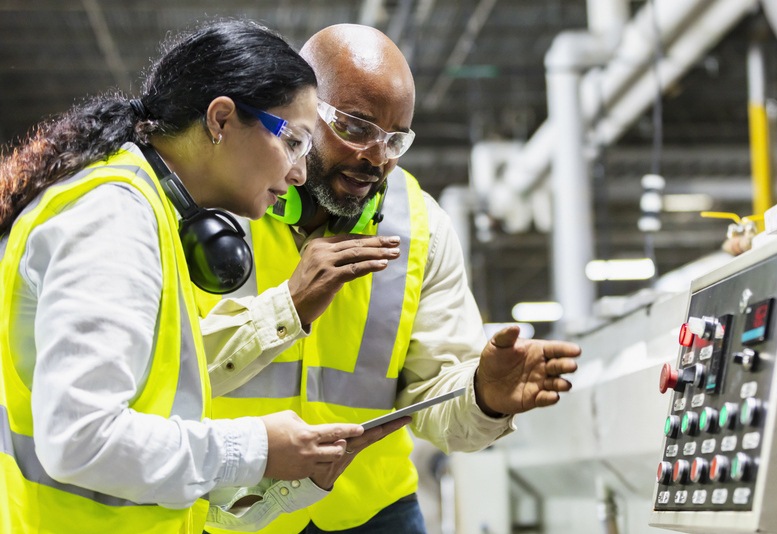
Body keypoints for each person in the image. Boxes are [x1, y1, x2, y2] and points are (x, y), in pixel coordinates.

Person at [0, 19, 407, 534]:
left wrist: (287, 472)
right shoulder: (113, 219)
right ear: (220, 119)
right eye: (295, 143)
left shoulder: (149, 213)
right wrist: (255, 446)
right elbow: (83, 441)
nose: (301, 174)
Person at [198, 23, 583, 534]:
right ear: (304, 110)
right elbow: (163, 372)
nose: (376, 157)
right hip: (225, 505)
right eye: (355, 127)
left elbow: (435, 401)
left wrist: (482, 395)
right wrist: (285, 308)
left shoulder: (421, 228)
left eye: (395, 138)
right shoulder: (214, 205)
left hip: (373, 512)